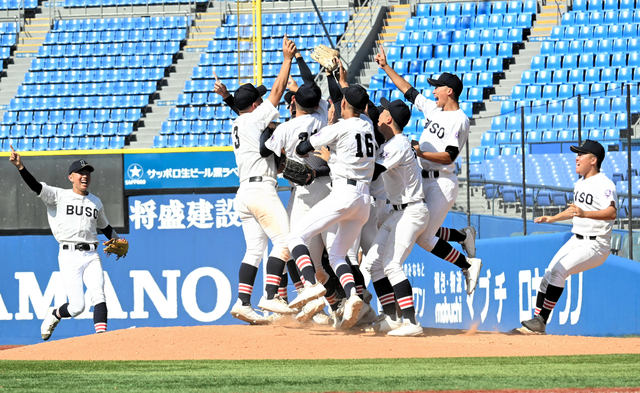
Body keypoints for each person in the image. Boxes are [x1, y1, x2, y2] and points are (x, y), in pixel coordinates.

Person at [374, 45, 482, 295]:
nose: (433, 91)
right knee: (422, 229)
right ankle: (462, 236)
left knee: (423, 237)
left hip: (441, 182)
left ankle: (467, 263)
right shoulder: (434, 109)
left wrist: (420, 153)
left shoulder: (460, 119)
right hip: (422, 179)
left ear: (449, 91)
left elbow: (449, 156)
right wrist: (385, 66)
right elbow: (409, 92)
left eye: (437, 87)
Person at [9, 146, 120, 340]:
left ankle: (102, 340)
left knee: (99, 294)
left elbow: (105, 227)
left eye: (88, 174)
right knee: (77, 307)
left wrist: (117, 240)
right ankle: (55, 314)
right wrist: (21, 167)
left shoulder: (96, 202)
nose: (84, 177)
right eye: (80, 173)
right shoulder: (58, 195)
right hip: (69, 255)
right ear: (71, 177)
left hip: (92, 254)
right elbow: (36, 186)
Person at [288, 85, 376, 330]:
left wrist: (310, 142)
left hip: (344, 193)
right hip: (363, 200)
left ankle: (310, 283)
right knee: (337, 254)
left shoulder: (340, 127)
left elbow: (302, 149)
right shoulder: (367, 125)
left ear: (344, 105)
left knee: (296, 236)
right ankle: (354, 296)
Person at [228, 36, 298, 324]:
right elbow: (279, 89)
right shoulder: (255, 119)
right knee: (286, 242)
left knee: (255, 250)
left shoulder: (238, 122)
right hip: (261, 190)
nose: (263, 100)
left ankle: (243, 302)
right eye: (259, 98)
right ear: (255, 105)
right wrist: (286, 59)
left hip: (243, 192)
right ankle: (270, 295)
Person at [263, 50, 334, 323]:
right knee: (330, 254)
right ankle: (331, 305)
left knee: (295, 243)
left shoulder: (286, 127)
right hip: (329, 184)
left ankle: (310, 290)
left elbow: (267, 151)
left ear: (294, 102)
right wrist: (302, 62)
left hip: (304, 190)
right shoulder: (323, 117)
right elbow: (310, 89)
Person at [518, 140, 617, 334]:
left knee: (558, 272)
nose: (577, 158)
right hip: (576, 239)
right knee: (547, 276)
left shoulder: (605, 184)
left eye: (582, 154)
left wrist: (585, 214)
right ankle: (537, 324)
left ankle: (540, 321)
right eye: (577, 153)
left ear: (593, 160)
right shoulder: (580, 183)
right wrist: (553, 218)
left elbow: (612, 212)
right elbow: (575, 211)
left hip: (595, 244)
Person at [365, 98, 429, 337]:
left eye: (383, 111)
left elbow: (374, 173)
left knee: (392, 265)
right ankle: (392, 318)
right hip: (397, 212)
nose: (379, 114)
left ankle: (412, 323)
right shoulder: (393, 142)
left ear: (389, 119)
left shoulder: (398, 144)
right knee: (373, 265)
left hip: (411, 211)